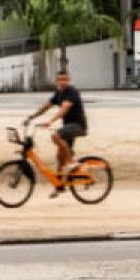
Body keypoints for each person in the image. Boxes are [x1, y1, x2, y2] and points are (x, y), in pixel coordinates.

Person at [24, 69, 87, 197]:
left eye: (65, 79)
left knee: (55, 136)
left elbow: (64, 108)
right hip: (68, 127)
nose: (63, 82)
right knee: (59, 157)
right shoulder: (58, 93)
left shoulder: (72, 92)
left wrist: (51, 121)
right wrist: (31, 117)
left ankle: (71, 163)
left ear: (69, 80)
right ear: (56, 81)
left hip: (78, 126)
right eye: (60, 80)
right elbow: (46, 106)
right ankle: (60, 186)